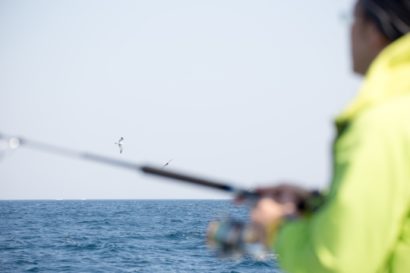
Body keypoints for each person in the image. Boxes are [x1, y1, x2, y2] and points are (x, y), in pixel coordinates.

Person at [251, 0, 410, 272]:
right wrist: (320, 204)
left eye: (352, 20)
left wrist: (277, 229)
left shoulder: (380, 125)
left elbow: (338, 264)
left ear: (373, 30)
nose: (347, 31)